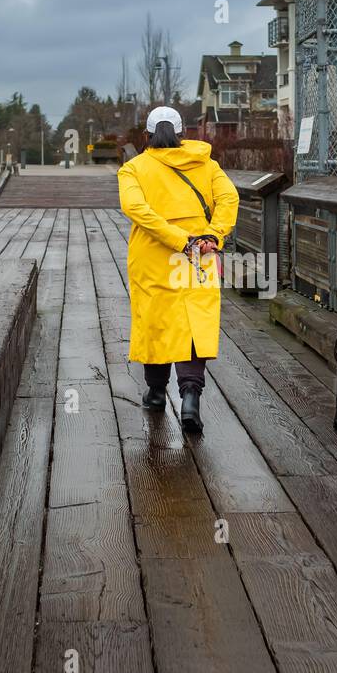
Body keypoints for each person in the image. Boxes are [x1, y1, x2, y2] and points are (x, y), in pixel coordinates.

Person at [117, 106, 238, 433]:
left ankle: (156, 393)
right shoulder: (207, 164)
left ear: (147, 135)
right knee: (193, 322)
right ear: (184, 133)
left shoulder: (133, 169)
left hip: (154, 256)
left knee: (156, 320)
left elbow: (135, 209)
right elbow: (229, 199)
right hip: (200, 254)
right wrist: (212, 235)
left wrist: (177, 239)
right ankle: (190, 398)